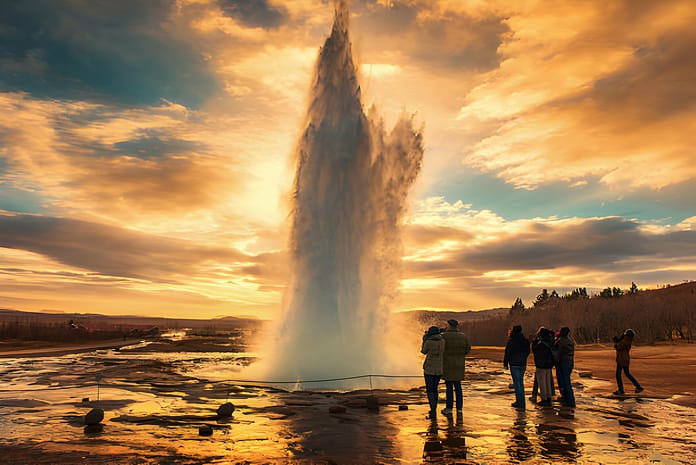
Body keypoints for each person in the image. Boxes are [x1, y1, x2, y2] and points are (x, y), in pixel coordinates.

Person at [440, 319, 471, 416]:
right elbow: (467, 349)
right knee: (458, 387)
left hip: (447, 364)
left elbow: (440, 349)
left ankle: (449, 408)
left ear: (449, 325)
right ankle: (459, 409)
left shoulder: (444, 336)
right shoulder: (463, 336)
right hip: (459, 364)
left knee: (449, 387)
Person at [503, 325, 530, 409]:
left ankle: (519, 401)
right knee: (520, 382)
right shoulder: (524, 340)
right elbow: (528, 351)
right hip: (522, 363)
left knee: (517, 383)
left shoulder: (511, 341)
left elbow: (507, 352)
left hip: (514, 363)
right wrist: (524, 357)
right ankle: (522, 401)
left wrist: (505, 363)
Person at [421, 326, 445, 419]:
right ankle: (434, 408)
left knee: (429, 390)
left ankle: (433, 409)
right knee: (435, 389)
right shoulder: (443, 341)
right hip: (439, 369)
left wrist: (424, 339)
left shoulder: (429, 342)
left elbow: (423, 351)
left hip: (429, 369)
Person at [613, 329, 643, 395]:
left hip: (622, 360)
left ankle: (621, 390)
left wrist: (616, 341)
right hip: (625, 359)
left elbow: (617, 347)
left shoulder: (625, 341)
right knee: (627, 374)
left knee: (618, 375)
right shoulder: (628, 341)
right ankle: (638, 386)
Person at [532, 327, 555, 406]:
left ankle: (544, 399)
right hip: (549, 364)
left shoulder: (541, 343)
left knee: (542, 382)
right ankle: (549, 397)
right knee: (548, 382)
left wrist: (535, 341)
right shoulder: (550, 341)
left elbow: (535, 350)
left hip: (541, 364)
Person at [555, 327, 576, 407]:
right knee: (566, 381)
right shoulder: (570, 341)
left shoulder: (561, 341)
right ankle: (568, 398)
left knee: (565, 382)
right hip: (570, 362)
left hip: (563, 362)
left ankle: (570, 400)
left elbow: (558, 353)